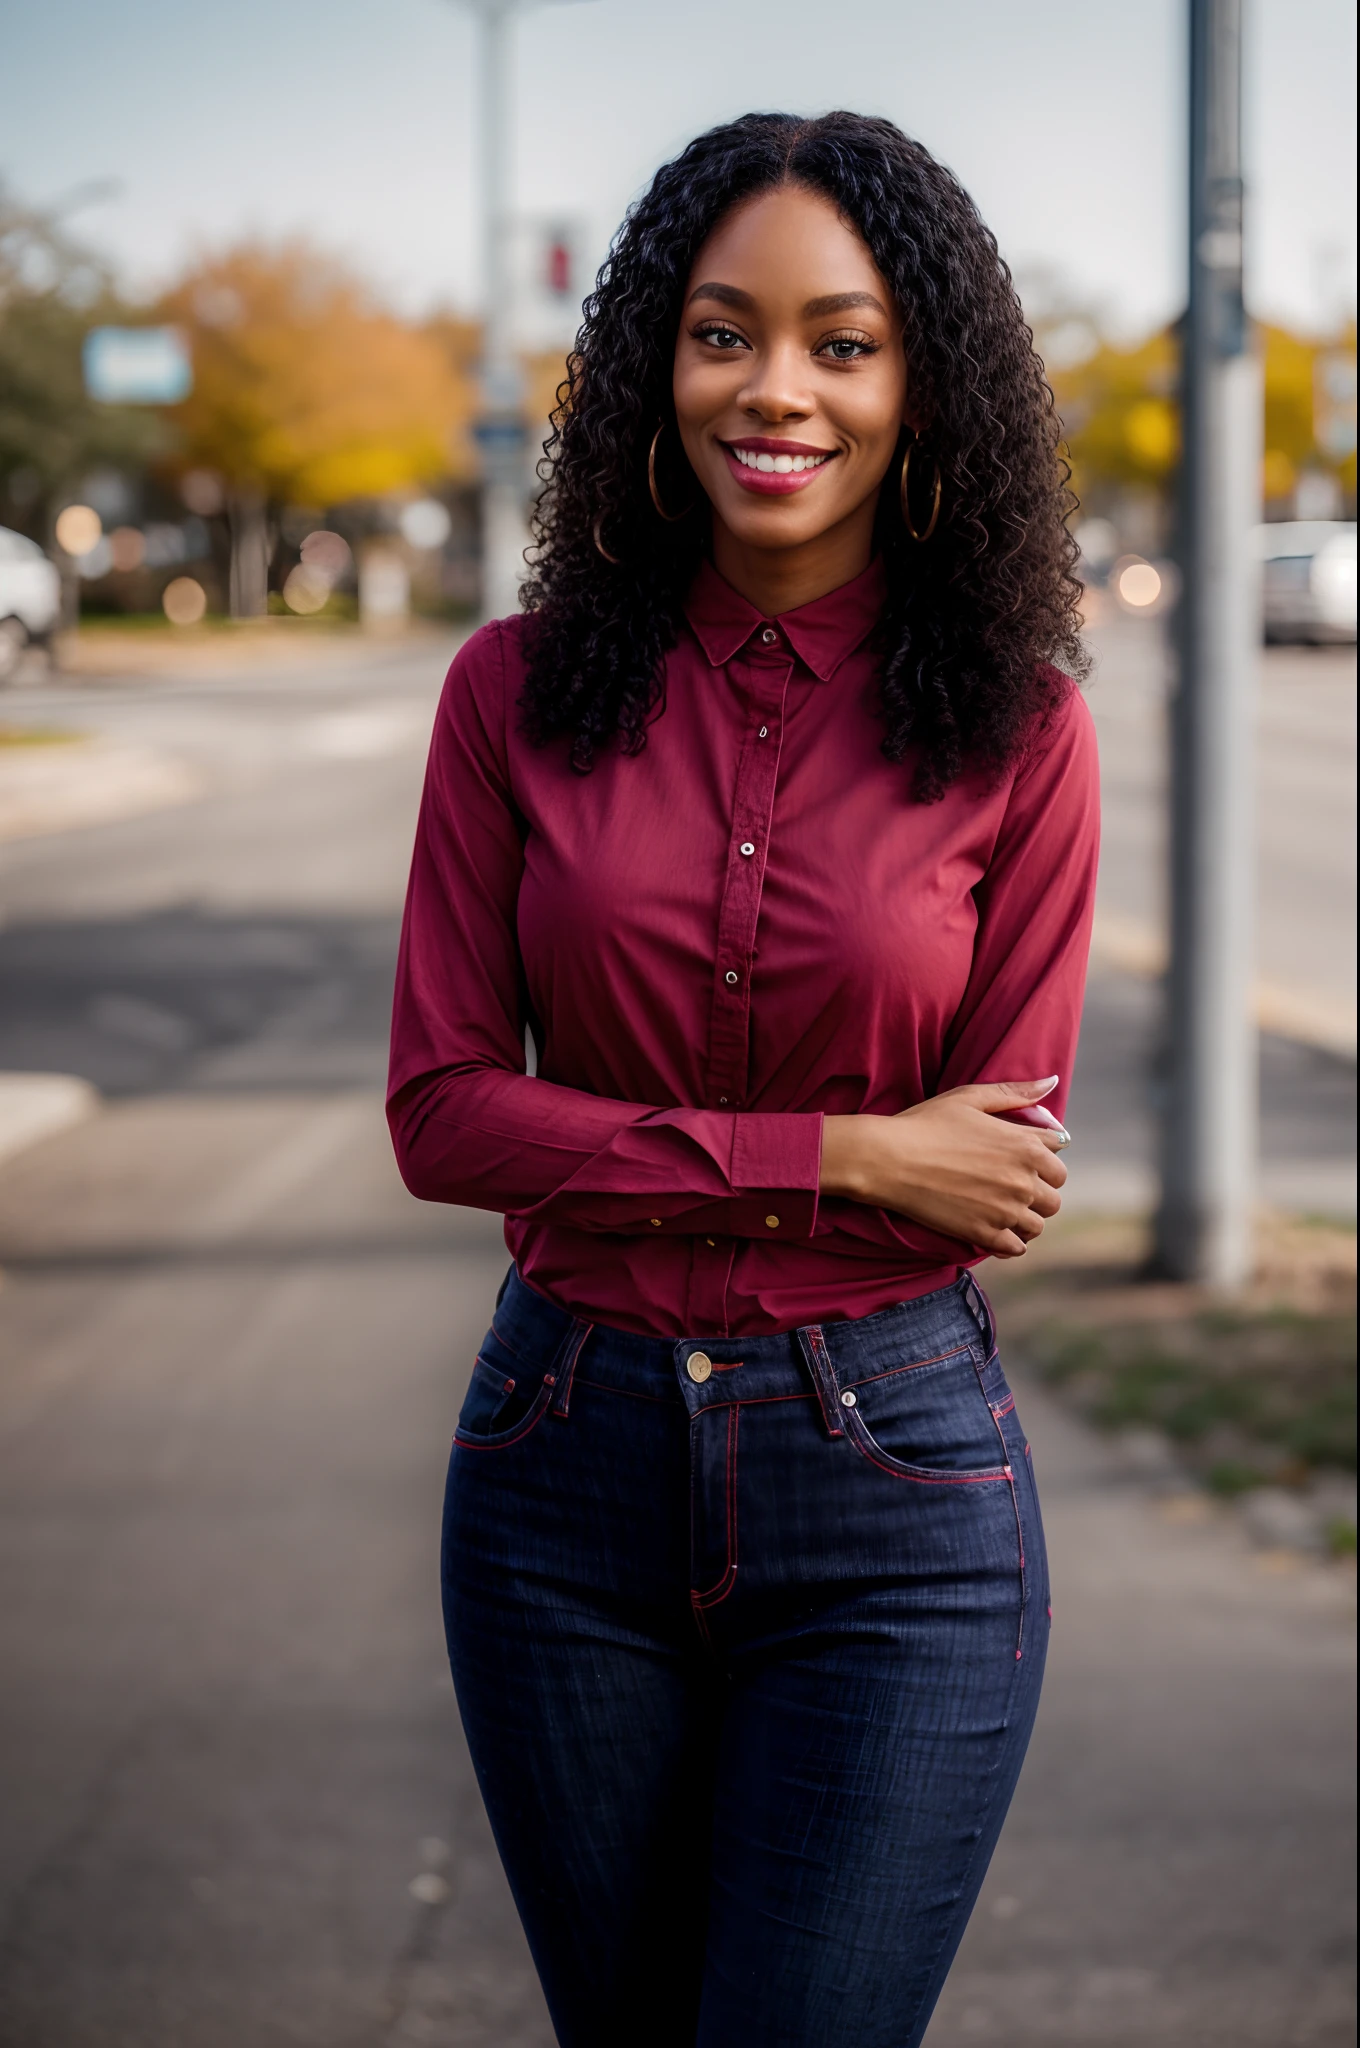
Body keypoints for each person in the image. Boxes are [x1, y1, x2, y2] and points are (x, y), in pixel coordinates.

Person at [388, 110, 1098, 2048]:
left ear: (918, 381)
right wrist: (849, 1147)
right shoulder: (509, 694)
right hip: (556, 1479)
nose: (771, 387)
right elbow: (440, 1113)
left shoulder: (1021, 731)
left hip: (889, 1494)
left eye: (839, 340)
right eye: (720, 331)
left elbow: (998, 1180)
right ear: (651, 363)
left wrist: (636, 1150)